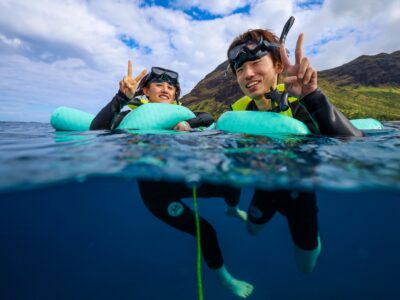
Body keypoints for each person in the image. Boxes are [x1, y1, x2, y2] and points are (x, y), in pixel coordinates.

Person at [90, 62, 253, 298]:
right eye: (159, 84)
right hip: (157, 194)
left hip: (184, 178)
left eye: (171, 86)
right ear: (145, 91)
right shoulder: (133, 115)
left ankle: (233, 209)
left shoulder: (180, 114)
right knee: (206, 231)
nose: (166, 89)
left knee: (233, 180)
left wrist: (190, 123)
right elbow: (97, 131)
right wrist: (121, 98)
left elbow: (207, 117)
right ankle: (225, 279)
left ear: (176, 94)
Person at [226, 17, 363, 273]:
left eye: (256, 63)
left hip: (300, 196)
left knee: (306, 267)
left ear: (278, 65)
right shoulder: (237, 113)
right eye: (240, 69)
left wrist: (312, 96)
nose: (248, 74)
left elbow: (355, 149)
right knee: (252, 230)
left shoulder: (300, 105)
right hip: (265, 189)